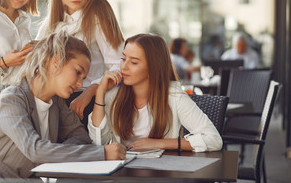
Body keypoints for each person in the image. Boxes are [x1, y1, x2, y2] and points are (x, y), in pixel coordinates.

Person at [0, 32, 126, 182]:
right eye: (77, 72)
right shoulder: (12, 99)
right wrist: (102, 153)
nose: (80, 84)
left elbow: (80, 136)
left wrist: (52, 151)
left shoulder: (56, 102)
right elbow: (34, 150)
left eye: (83, 78)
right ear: (55, 62)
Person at [88, 33, 222, 152]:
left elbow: (214, 139)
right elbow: (99, 142)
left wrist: (158, 143)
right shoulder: (114, 96)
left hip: (161, 173)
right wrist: (100, 92)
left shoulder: (174, 97)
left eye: (133, 62)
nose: (124, 66)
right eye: (123, 59)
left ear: (153, 68)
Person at [36, 0, 124, 126]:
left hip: (89, 100)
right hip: (56, 102)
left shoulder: (99, 18)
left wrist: (91, 91)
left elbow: (120, 64)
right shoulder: (51, 23)